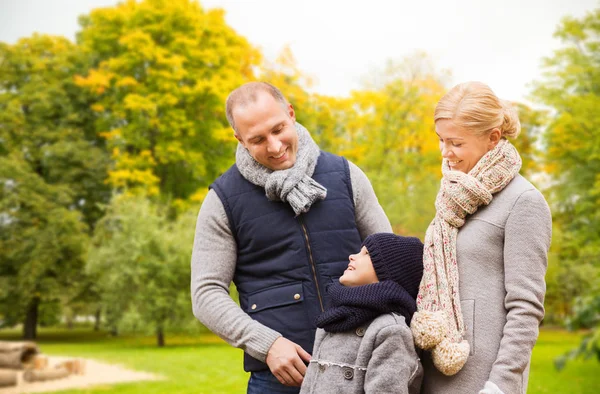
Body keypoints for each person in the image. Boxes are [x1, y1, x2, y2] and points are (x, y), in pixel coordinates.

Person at [190, 82, 392, 393]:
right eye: (257, 139)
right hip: (279, 382)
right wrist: (267, 345)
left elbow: (389, 260)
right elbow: (206, 294)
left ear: (291, 114)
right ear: (239, 139)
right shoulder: (222, 200)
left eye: (278, 129)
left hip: (362, 369)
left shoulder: (346, 175)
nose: (274, 146)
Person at [409, 81, 552, 394]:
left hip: (481, 381)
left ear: (493, 139)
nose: (446, 152)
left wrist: (500, 385)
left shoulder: (524, 201)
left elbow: (526, 307)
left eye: (456, 143)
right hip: (433, 371)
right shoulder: (452, 197)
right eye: (441, 140)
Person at [300, 233, 424, 394]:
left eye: (367, 254)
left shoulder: (390, 331)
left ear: (388, 273)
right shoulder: (331, 321)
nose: (352, 256)